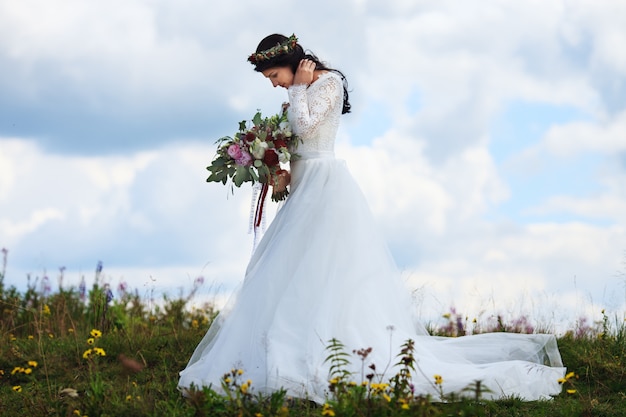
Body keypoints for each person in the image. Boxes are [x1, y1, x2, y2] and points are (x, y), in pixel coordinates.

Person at [178, 33, 566, 403]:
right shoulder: (301, 87)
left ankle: (332, 354)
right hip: (305, 186)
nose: (275, 86)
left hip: (326, 188)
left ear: (288, 64)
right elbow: (297, 142)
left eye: (274, 77)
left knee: (321, 272)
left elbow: (306, 127)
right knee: (295, 273)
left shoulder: (325, 83)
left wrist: (299, 87)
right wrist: (278, 170)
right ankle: (293, 351)